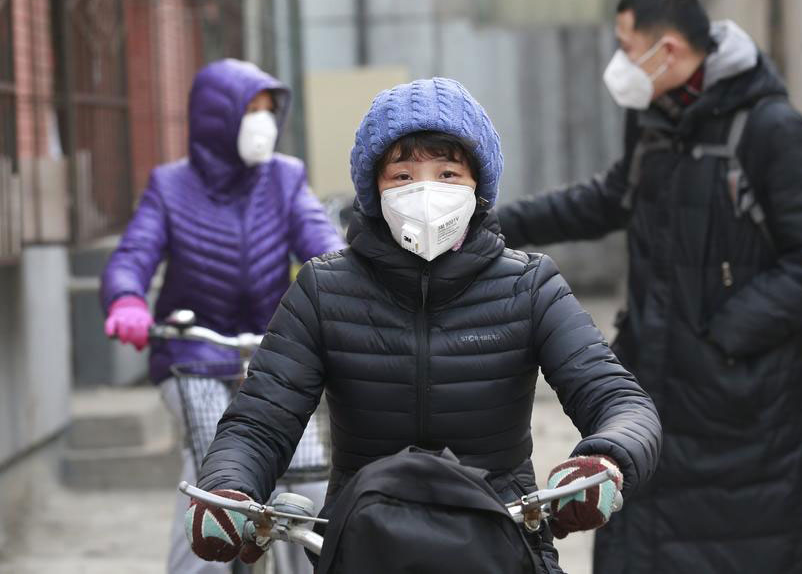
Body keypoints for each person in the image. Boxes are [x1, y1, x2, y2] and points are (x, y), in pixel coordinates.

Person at [181, 77, 662, 572]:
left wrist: (605, 461)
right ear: (374, 188)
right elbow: (260, 421)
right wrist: (228, 488)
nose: (427, 192)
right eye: (403, 175)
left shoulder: (529, 284)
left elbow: (620, 401)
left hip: (506, 536)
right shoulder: (324, 289)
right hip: (362, 542)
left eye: (449, 173)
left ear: (480, 185)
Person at [497, 0, 802, 574]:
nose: (618, 61)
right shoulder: (658, 117)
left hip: (746, 402)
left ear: (668, 49)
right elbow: (610, 199)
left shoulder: (769, 129)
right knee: (652, 540)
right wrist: (496, 222)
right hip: (660, 382)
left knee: (750, 550)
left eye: (626, 43)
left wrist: (725, 338)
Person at [101, 58, 344, 574]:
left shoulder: (285, 177)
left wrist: (348, 285)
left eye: (267, 110)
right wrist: (126, 300)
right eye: (249, 110)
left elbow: (321, 243)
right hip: (194, 357)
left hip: (275, 354)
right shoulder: (170, 187)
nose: (263, 121)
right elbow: (133, 255)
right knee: (218, 478)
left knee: (308, 475)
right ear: (217, 117)